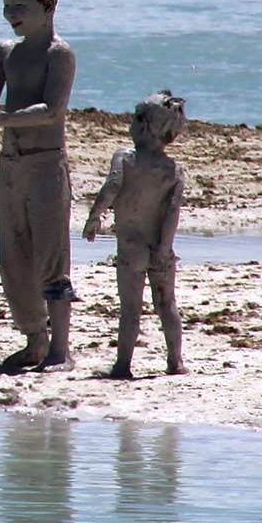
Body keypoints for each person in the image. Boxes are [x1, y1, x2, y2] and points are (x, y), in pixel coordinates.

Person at [0, 0, 77, 372]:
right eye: (7, 5)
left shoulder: (59, 54)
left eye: (20, 6)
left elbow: (52, 110)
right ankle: (35, 340)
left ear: (47, 6)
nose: (11, 13)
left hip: (46, 165)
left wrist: (1, 119)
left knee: (51, 256)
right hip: (10, 165)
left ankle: (60, 349)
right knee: (14, 255)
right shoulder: (3, 51)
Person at [83, 90, 191, 378]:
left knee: (130, 309)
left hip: (131, 247)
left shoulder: (125, 158)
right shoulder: (174, 171)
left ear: (143, 126)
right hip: (161, 247)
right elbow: (172, 213)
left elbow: (111, 188)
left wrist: (95, 216)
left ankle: (123, 365)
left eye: (133, 119)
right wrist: (164, 248)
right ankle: (175, 361)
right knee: (167, 305)